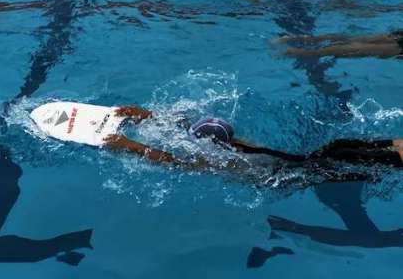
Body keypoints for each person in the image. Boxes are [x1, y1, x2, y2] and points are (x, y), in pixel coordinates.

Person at [103, 106, 403, 171]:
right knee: (338, 148)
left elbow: (175, 162)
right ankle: (395, 145)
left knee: (343, 155)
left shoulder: (223, 161)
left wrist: (129, 145)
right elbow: (183, 127)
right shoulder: (232, 142)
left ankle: (397, 153)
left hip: (291, 174)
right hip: (290, 160)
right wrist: (147, 115)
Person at [276, 30, 403, 59]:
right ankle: (289, 52)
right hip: (398, 47)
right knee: (350, 48)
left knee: (352, 39)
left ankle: (291, 39)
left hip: (399, 37)